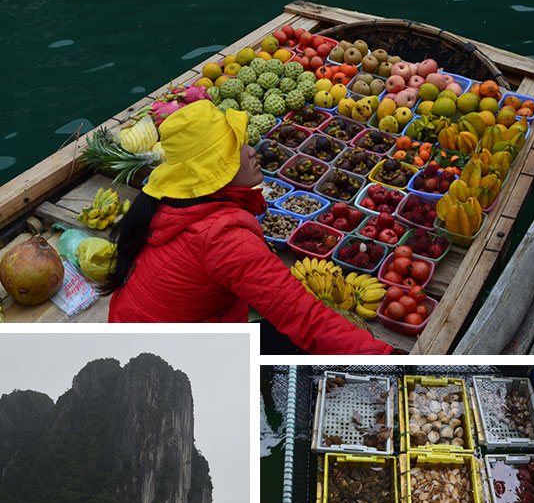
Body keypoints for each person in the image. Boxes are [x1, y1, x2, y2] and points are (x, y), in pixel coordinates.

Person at [105, 100, 392, 354]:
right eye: (237, 149)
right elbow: (301, 314)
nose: (253, 151)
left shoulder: (171, 203)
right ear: (218, 169)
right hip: (167, 360)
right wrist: (386, 361)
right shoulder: (224, 238)